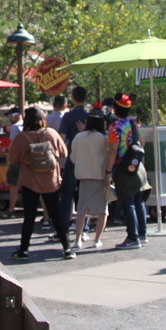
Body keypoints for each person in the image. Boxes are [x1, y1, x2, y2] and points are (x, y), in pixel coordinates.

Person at [8, 106, 73, 261]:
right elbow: (64, 152)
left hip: (30, 180)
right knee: (56, 215)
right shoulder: (51, 133)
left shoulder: (21, 137)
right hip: (51, 180)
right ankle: (67, 248)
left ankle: (23, 250)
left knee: (29, 217)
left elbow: (13, 159)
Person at [106, 93, 147, 249]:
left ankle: (132, 237)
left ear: (115, 109)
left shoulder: (114, 127)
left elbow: (112, 150)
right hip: (137, 167)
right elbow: (142, 143)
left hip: (123, 168)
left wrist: (108, 172)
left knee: (128, 203)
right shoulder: (134, 124)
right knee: (138, 201)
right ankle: (142, 234)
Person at [69, 104, 110, 249]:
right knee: (102, 210)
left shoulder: (79, 137)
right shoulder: (104, 138)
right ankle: (96, 240)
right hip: (100, 176)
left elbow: (73, 157)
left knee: (81, 210)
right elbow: (109, 156)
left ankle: (77, 240)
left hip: (83, 176)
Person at [57, 86, 88, 234]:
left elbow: (62, 138)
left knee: (67, 192)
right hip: (89, 158)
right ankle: (85, 225)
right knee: (85, 191)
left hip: (73, 157)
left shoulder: (68, 117)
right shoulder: (92, 115)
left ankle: (65, 223)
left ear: (73, 98)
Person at [3, 107, 23, 218]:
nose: (10, 118)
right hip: (26, 160)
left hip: (15, 160)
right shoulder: (26, 125)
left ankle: (11, 209)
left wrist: (6, 150)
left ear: (18, 115)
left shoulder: (15, 127)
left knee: (13, 186)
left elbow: (12, 144)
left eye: (11, 115)